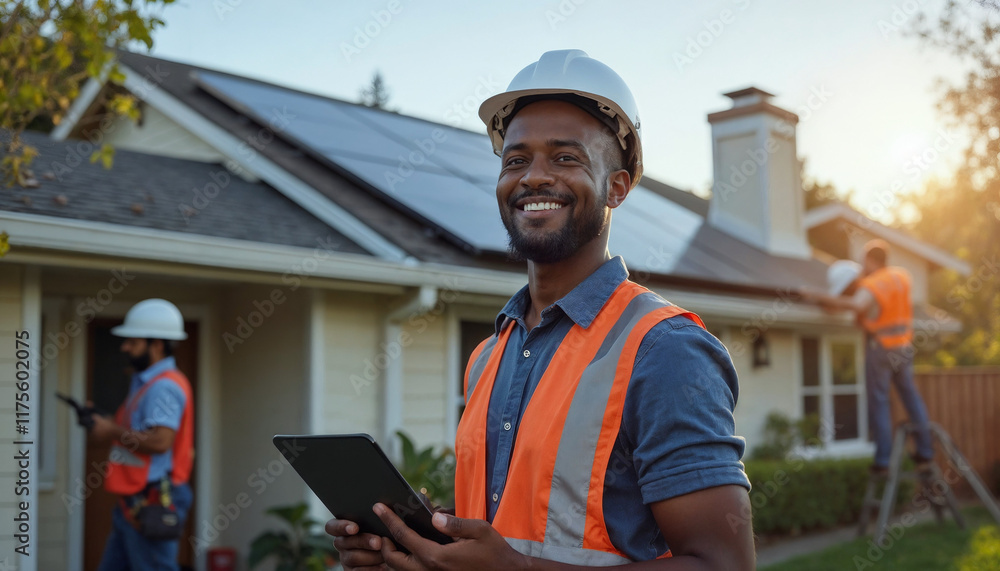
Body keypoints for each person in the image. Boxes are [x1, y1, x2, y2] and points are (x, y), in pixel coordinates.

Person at [327, 50, 754, 570]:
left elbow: (723, 563)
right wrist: (415, 544)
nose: (533, 177)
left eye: (565, 157)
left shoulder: (664, 349)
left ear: (616, 187)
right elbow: (510, 535)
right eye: (516, 160)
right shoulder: (489, 355)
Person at [89, 298, 195, 571]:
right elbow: (135, 430)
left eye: (133, 342)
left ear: (156, 345)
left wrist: (111, 430)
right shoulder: (145, 382)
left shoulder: (162, 387)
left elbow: (161, 442)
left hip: (152, 497)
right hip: (135, 497)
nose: (125, 348)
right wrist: (102, 420)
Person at [811, 241, 934, 474]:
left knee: (879, 403)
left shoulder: (873, 282)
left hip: (881, 348)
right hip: (904, 348)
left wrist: (822, 298)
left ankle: (883, 460)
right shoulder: (902, 276)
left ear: (870, 260)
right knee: (911, 398)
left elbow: (858, 305)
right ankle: (925, 451)